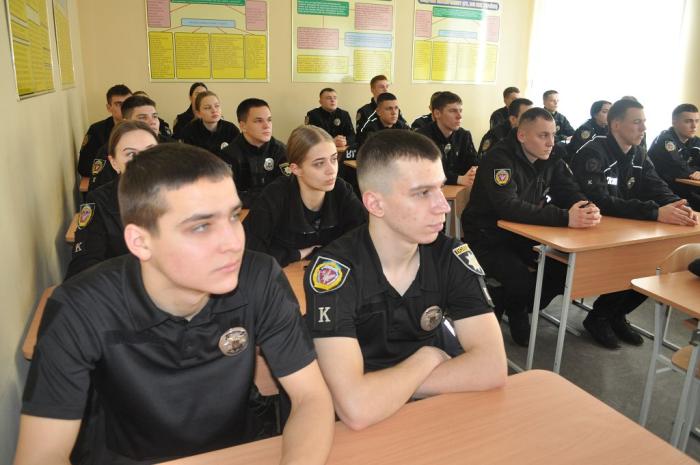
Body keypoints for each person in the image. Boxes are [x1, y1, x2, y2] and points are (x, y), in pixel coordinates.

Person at [15, 144, 334, 465]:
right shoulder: (79, 307)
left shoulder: (259, 276)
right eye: (201, 226)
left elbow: (311, 397)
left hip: (234, 452)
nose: (233, 242)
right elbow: (41, 455)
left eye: (233, 216)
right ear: (141, 241)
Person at [302, 129, 507, 430]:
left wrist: (385, 390)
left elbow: (492, 367)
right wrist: (429, 357)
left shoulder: (451, 256)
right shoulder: (335, 272)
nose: (443, 205)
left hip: (431, 412)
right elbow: (356, 409)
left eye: (440, 188)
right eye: (422, 193)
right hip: (362, 434)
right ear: (375, 204)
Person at [462, 108, 601, 346]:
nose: (551, 142)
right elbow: (508, 207)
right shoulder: (499, 159)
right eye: (543, 135)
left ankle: (516, 303)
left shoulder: (551, 156)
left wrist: (586, 207)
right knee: (518, 276)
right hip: (488, 235)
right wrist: (566, 218)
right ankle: (515, 309)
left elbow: (568, 189)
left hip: (525, 233)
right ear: (522, 136)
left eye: (553, 135)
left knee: (561, 268)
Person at [570, 99, 698, 348]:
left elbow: (655, 184)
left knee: (655, 262)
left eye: (644, 122)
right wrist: (655, 212)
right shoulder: (593, 152)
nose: (643, 128)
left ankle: (615, 315)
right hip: (593, 228)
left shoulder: (638, 152)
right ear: (616, 124)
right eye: (637, 122)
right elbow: (600, 201)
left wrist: (680, 205)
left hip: (626, 226)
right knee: (632, 260)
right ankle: (599, 317)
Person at [244, 126, 366, 267]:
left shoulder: (342, 190)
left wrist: (320, 252)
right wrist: (297, 254)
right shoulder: (274, 196)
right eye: (319, 164)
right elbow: (250, 254)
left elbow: (364, 238)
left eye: (333, 159)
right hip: (283, 274)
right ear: (296, 169)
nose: (331, 170)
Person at [65, 121, 159, 280]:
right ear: (114, 162)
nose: (143, 160)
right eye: (131, 154)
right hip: (123, 285)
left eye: (150, 151)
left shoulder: (180, 195)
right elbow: (84, 263)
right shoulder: (99, 201)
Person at [88, 95, 174, 191]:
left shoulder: (172, 147)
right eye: (142, 118)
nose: (152, 122)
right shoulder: (110, 150)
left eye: (155, 116)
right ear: (127, 122)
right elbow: (100, 191)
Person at [221, 98, 289, 208]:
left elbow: (287, 189)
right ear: (243, 126)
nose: (266, 126)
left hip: (275, 212)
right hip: (242, 213)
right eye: (259, 121)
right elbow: (226, 195)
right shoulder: (229, 155)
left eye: (269, 120)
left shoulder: (281, 151)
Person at [417, 91, 478, 187]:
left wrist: (474, 171)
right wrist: (458, 179)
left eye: (460, 111)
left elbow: (473, 164)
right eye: (453, 111)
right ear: (437, 113)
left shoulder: (464, 135)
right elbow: (425, 172)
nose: (459, 116)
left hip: (459, 190)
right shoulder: (422, 137)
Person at [647, 103, 700, 210]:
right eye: (688, 121)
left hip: (684, 188)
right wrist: (695, 171)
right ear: (674, 122)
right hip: (661, 192)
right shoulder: (665, 140)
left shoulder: (695, 141)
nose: (694, 126)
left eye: (697, 121)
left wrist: (696, 171)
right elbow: (679, 168)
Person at [77, 84, 131, 177]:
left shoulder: (144, 128)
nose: (125, 108)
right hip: (109, 181)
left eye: (128, 103)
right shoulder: (97, 130)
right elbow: (84, 166)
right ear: (109, 108)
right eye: (119, 104)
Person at [182, 90, 240, 158]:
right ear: (198, 113)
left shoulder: (231, 129)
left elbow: (238, 156)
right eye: (207, 108)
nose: (214, 110)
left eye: (217, 106)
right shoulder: (189, 131)